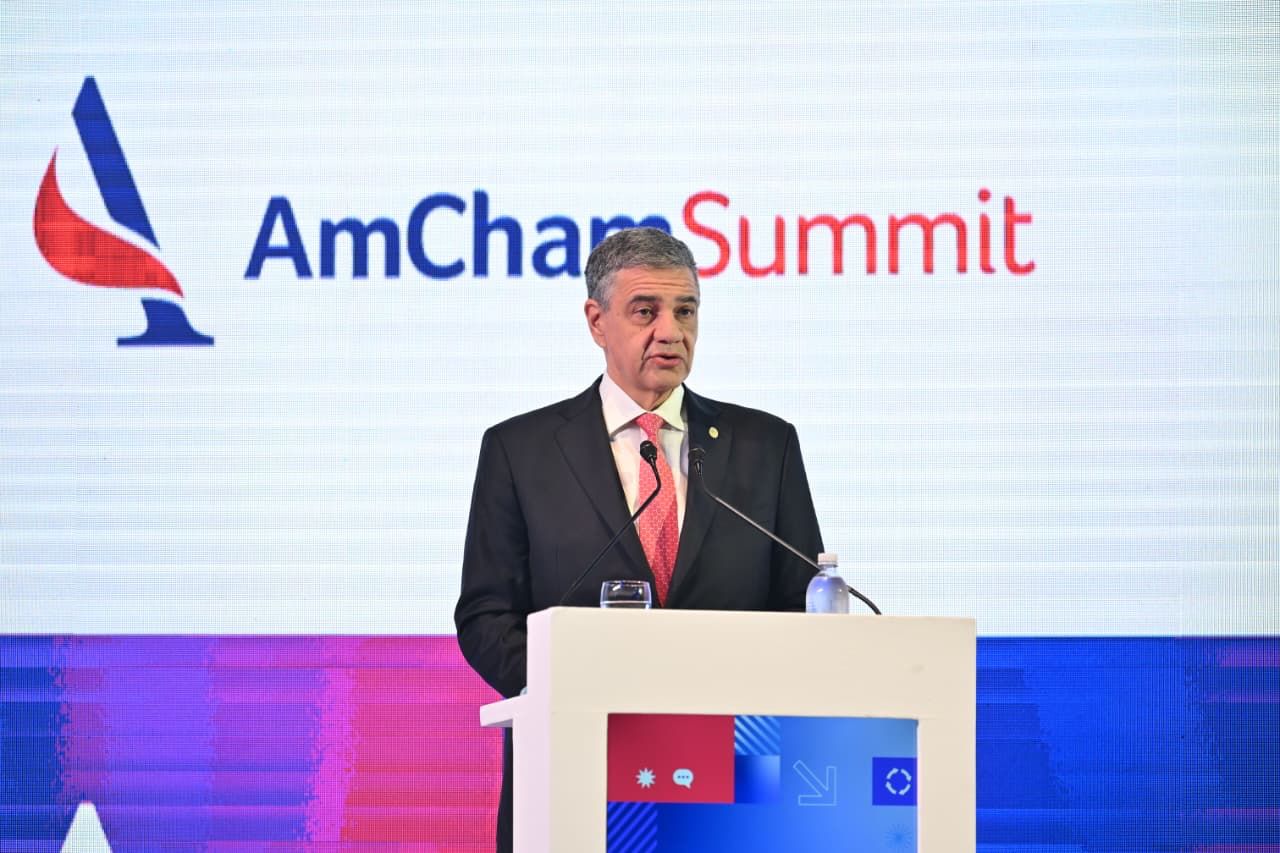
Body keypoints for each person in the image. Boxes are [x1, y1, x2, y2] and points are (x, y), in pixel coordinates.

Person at [454, 227, 824, 852]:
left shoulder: (766, 446)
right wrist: (572, 689)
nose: (671, 331)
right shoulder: (520, 450)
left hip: (734, 766)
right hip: (575, 763)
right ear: (597, 322)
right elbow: (486, 614)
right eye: (645, 312)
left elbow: (800, 602)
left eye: (686, 311)